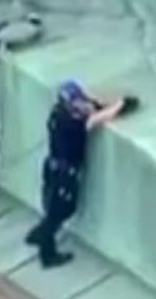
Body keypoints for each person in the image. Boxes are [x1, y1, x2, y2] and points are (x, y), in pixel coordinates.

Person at [23, 81, 130, 268]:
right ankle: (42, 242)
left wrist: (95, 103)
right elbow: (96, 119)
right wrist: (121, 105)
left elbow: (91, 106)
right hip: (65, 172)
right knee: (62, 210)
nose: (81, 103)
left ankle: (43, 244)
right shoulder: (72, 122)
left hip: (52, 167)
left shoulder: (57, 113)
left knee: (52, 207)